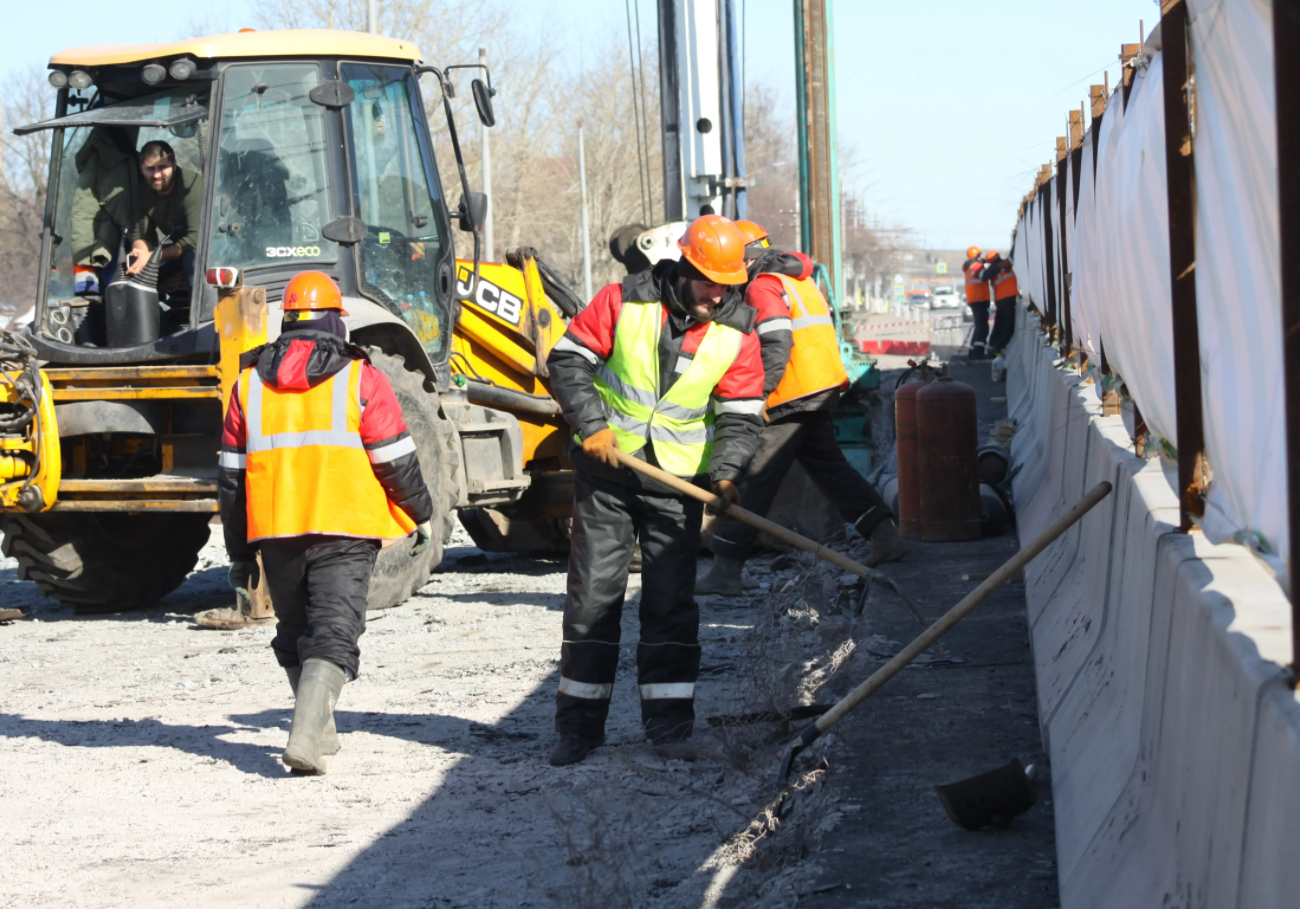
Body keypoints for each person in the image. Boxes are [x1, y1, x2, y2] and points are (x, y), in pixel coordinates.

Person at [545, 215, 765, 766]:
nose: (718, 295)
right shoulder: (623, 301)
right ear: (685, 268)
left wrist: (728, 473)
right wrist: (591, 425)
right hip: (608, 474)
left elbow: (740, 414)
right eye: (710, 283)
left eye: (728, 285)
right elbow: (569, 361)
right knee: (593, 600)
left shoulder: (738, 329)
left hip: (677, 483)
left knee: (670, 604)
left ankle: (669, 727)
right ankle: (578, 729)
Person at [217, 271, 434, 775]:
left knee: (295, 631)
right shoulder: (361, 378)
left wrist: (238, 552)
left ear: (286, 322)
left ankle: (319, 733)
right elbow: (396, 460)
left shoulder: (247, 385)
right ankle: (306, 740)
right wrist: (421, 515)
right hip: (345, 524)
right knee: (335, 630)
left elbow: (230, 479)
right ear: (337, 320)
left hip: (277, 526)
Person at [697, 221, 909, 597]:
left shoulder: (763, 287)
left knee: (752, 476)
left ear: (745, 257)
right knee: (831, 470)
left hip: (791, 392)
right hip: (818, 385)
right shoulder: (792, 279)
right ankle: (885, 535)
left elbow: (776, 346)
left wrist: (755, 399)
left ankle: (725, 570)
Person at [126, 140, 201, 289]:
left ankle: (201, 312)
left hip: (213, 248)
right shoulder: (141, 192)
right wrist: (140, 255)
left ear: (174, 164)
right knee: (133, 273)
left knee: (192, 262)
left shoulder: (192, 186)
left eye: (162, 167)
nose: (156, 174)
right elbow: (142, 235)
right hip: (179, 249)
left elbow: (195, 239)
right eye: (150, 168)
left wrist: (152, 257)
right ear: (141, 169)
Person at [979, 251, 1018, 355]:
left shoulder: (994, 268)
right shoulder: (998, 267)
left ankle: (992, 348)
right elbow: (1012, 256)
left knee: (999, 326)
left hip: (1001, 300)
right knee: (1008, 327)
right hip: (1007, 298)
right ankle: (997, 347)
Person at [963, 245, 992, 359]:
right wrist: (994, 267)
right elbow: (984, 275)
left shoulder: (969, 267)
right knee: (982, 327)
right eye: (980, 255)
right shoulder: (976, 266)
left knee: (979, 326)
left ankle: (972, 351)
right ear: (977, 256)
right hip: (979, 299)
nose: (982, 257)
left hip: (974, 300)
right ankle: (978, 352)